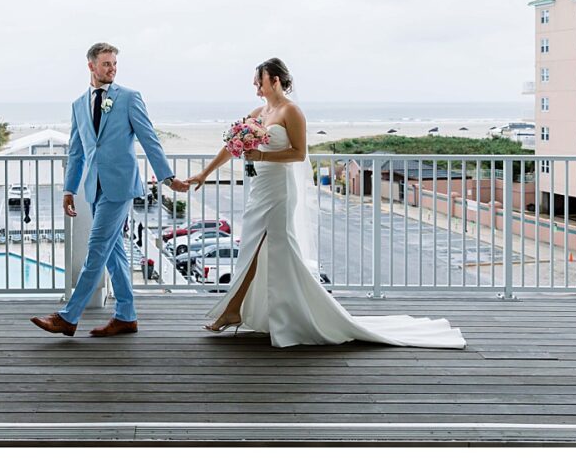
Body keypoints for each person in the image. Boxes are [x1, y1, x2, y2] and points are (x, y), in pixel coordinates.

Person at [188, 58, 466, 349]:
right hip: (260, 188)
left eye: (260, 82)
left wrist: (262, 156)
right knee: (256, 247)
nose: (256, 88)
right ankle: (269, 311)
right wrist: (205, 173)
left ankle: (235, 310)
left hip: (280, 189)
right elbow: (232, 146)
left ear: (275, 81)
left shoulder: (291, 111)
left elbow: (298, 154)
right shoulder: (259, 113)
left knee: (269, 248)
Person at [31, 42, 187, 337]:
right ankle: (126, 316)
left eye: (114, 64)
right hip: (94, 188)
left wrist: (167, 177)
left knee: (97, 247)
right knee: (114, 253)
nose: (112, 69)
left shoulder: (128, 98)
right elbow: (77, 152)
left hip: (120, 186)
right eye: (106, 64)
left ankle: (68, 316)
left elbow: (149, 139)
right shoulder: (78, 105)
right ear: (91, 66)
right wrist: (69, 190)